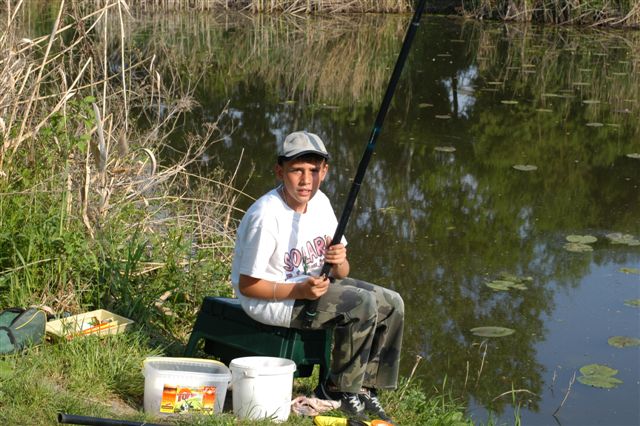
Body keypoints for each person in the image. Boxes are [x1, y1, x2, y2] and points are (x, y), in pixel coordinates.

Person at [230, 130, 404, 422]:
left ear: (324, 171)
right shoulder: (265, 216)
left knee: (392, 303)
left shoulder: (320, 202)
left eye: (313, 170)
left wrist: (339, 261)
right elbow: (248, 286)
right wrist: (298, 291)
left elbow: (343, 272)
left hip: (312, 288)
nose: (305, 180)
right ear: (280, 171)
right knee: (360, 304)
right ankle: (336, 390)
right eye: (296, 170)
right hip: (273, 299)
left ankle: (366, 387)